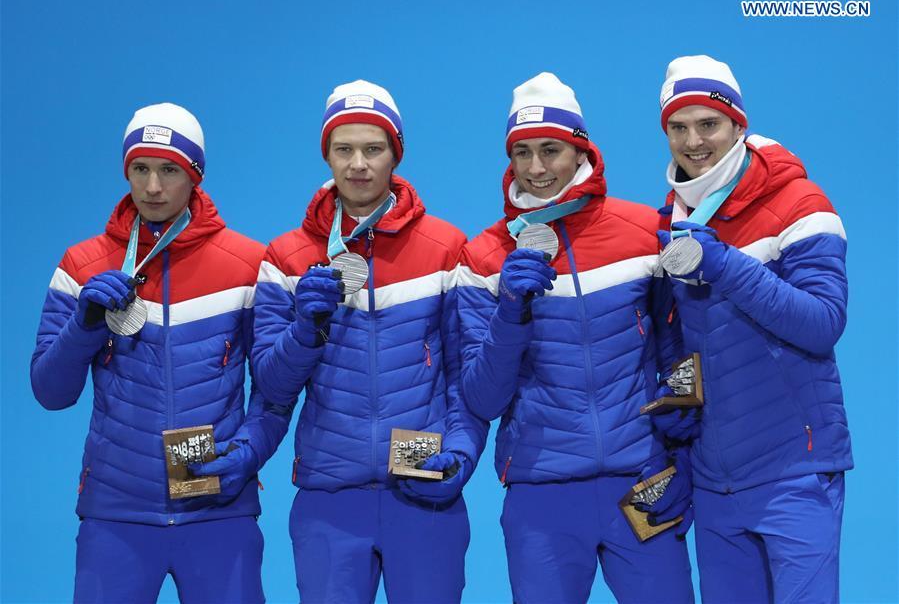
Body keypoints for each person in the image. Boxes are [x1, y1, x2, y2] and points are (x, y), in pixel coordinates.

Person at [30, 103, 290, 603]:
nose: (152, 187)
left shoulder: (248, 263)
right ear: (125, 170)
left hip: (219, 511)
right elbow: (50, 392)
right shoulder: (81, 264)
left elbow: (275, 393)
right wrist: (84, 326)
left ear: (195, 176)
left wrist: (249, 453)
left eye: (169, 170)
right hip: (115, 516)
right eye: (140, 169)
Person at [456, 72, 694, 604]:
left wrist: (684, 457)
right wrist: (510, 314)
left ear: (581, 149)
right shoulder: (484, 258)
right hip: (541, 491)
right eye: (522, 153)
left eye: (551, 150)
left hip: (641, 479)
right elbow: (481, 397)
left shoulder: (644, 231)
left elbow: (681, 350)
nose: (536, 168)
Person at [252, 80, 488, 603]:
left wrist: (462, 457)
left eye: (373, 149)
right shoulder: (287, 256)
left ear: (395, 155)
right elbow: (270, 384)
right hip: (330, 499)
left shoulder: (447, 247)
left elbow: (466, 379)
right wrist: (304, 329)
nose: (358, 163)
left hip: (424, 491)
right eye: (344, 149)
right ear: (327, 156)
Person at [654, 55, 852, 603]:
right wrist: (677, 426)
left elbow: (822, 324)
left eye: (708, 124)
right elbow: (678, 343)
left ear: (738, 125)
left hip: (796, 469)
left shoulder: (801, 205)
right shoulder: (670, 223)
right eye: (678, 126)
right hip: (715, 480)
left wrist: (724, 264)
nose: (694, 141)